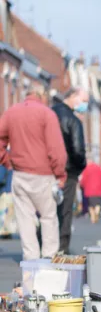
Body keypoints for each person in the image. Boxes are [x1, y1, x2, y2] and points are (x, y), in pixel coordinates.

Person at [0, 89, 66, 260]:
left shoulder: (11, 113)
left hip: (20, 174)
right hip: (44, 175)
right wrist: (60, 174)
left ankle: (31, 258)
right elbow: (56, 150)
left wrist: (7, 161)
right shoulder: (47, 114)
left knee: (25, 218)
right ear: (42, 97)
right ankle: (49, 257)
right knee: (48, 217)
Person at [52, 88, 88, 253]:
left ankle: (44, 246)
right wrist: (79, 167)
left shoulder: (50, 114)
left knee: (48, 210)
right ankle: (62, 248)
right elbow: (78, 150)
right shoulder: (73, 120)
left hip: (48, 169)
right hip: (68, 171)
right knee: (65, 210)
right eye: (83, 100)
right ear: (72, 96)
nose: (85, 105)